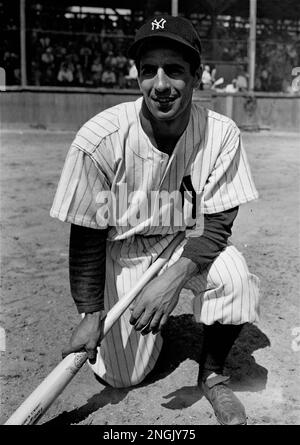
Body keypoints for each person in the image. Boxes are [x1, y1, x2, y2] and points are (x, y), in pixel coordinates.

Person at [50, 15, 260, 426]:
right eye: (149, 71)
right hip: (123, 251)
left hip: (186, 242)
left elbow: (218, 217)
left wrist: (175, 278)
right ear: (138, 77)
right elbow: (87, 232)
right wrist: (92, 314)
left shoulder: (221, 133)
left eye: (175, 71)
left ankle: (213, 373)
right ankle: (153, 331)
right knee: (122, 375)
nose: (161, 85)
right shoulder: (100, 138)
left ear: (197, 76)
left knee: (236, 282)